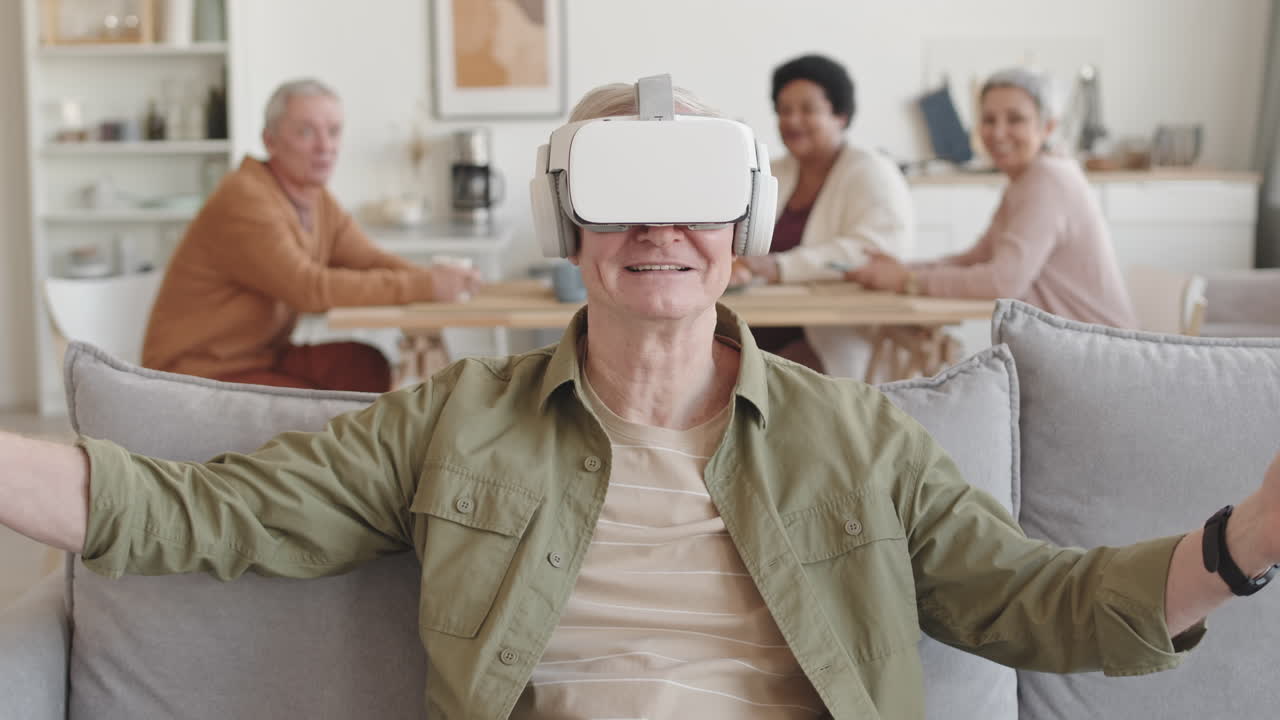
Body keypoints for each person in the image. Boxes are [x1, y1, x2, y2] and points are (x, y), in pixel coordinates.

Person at [3, 78, 1278, 720]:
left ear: (740, 230)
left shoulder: (855, 436)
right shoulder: (457, 421)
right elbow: (193, 512)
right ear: (573, 224)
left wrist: (1243, 543)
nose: (656, 226)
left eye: (691, 192)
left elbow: (1035, 600)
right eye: (620, 188)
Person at [141, 78, 482, 392]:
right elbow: (310, 289)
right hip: (197, 373)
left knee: (363, 365)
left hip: (261, 355)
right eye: (306, 132)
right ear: (269, 140)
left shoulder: (315, 197)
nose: (325, 146)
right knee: (337, 405)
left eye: (334, 131)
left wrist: (437, 280)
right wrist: (428, 286)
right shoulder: (245, 199)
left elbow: (368, 259)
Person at [849, 67, 1138, 329]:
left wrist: (907, 281)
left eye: (1015, 119)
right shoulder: (1024, 180)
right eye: (988, 120)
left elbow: (1002, 282)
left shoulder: (1049, 179)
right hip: (1072, 349)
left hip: (1100, 358)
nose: (998, 133)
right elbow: (977, 259)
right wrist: (902, 268)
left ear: (1047, 127)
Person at [731, 54, 915, 376]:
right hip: (758, 320)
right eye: (784, 110)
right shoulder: (772, 170)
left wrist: (780, 267)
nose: (793, 121)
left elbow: (873, 252)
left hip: (828, 336)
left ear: (840, 115)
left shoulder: (871, 171)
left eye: (807, 109)